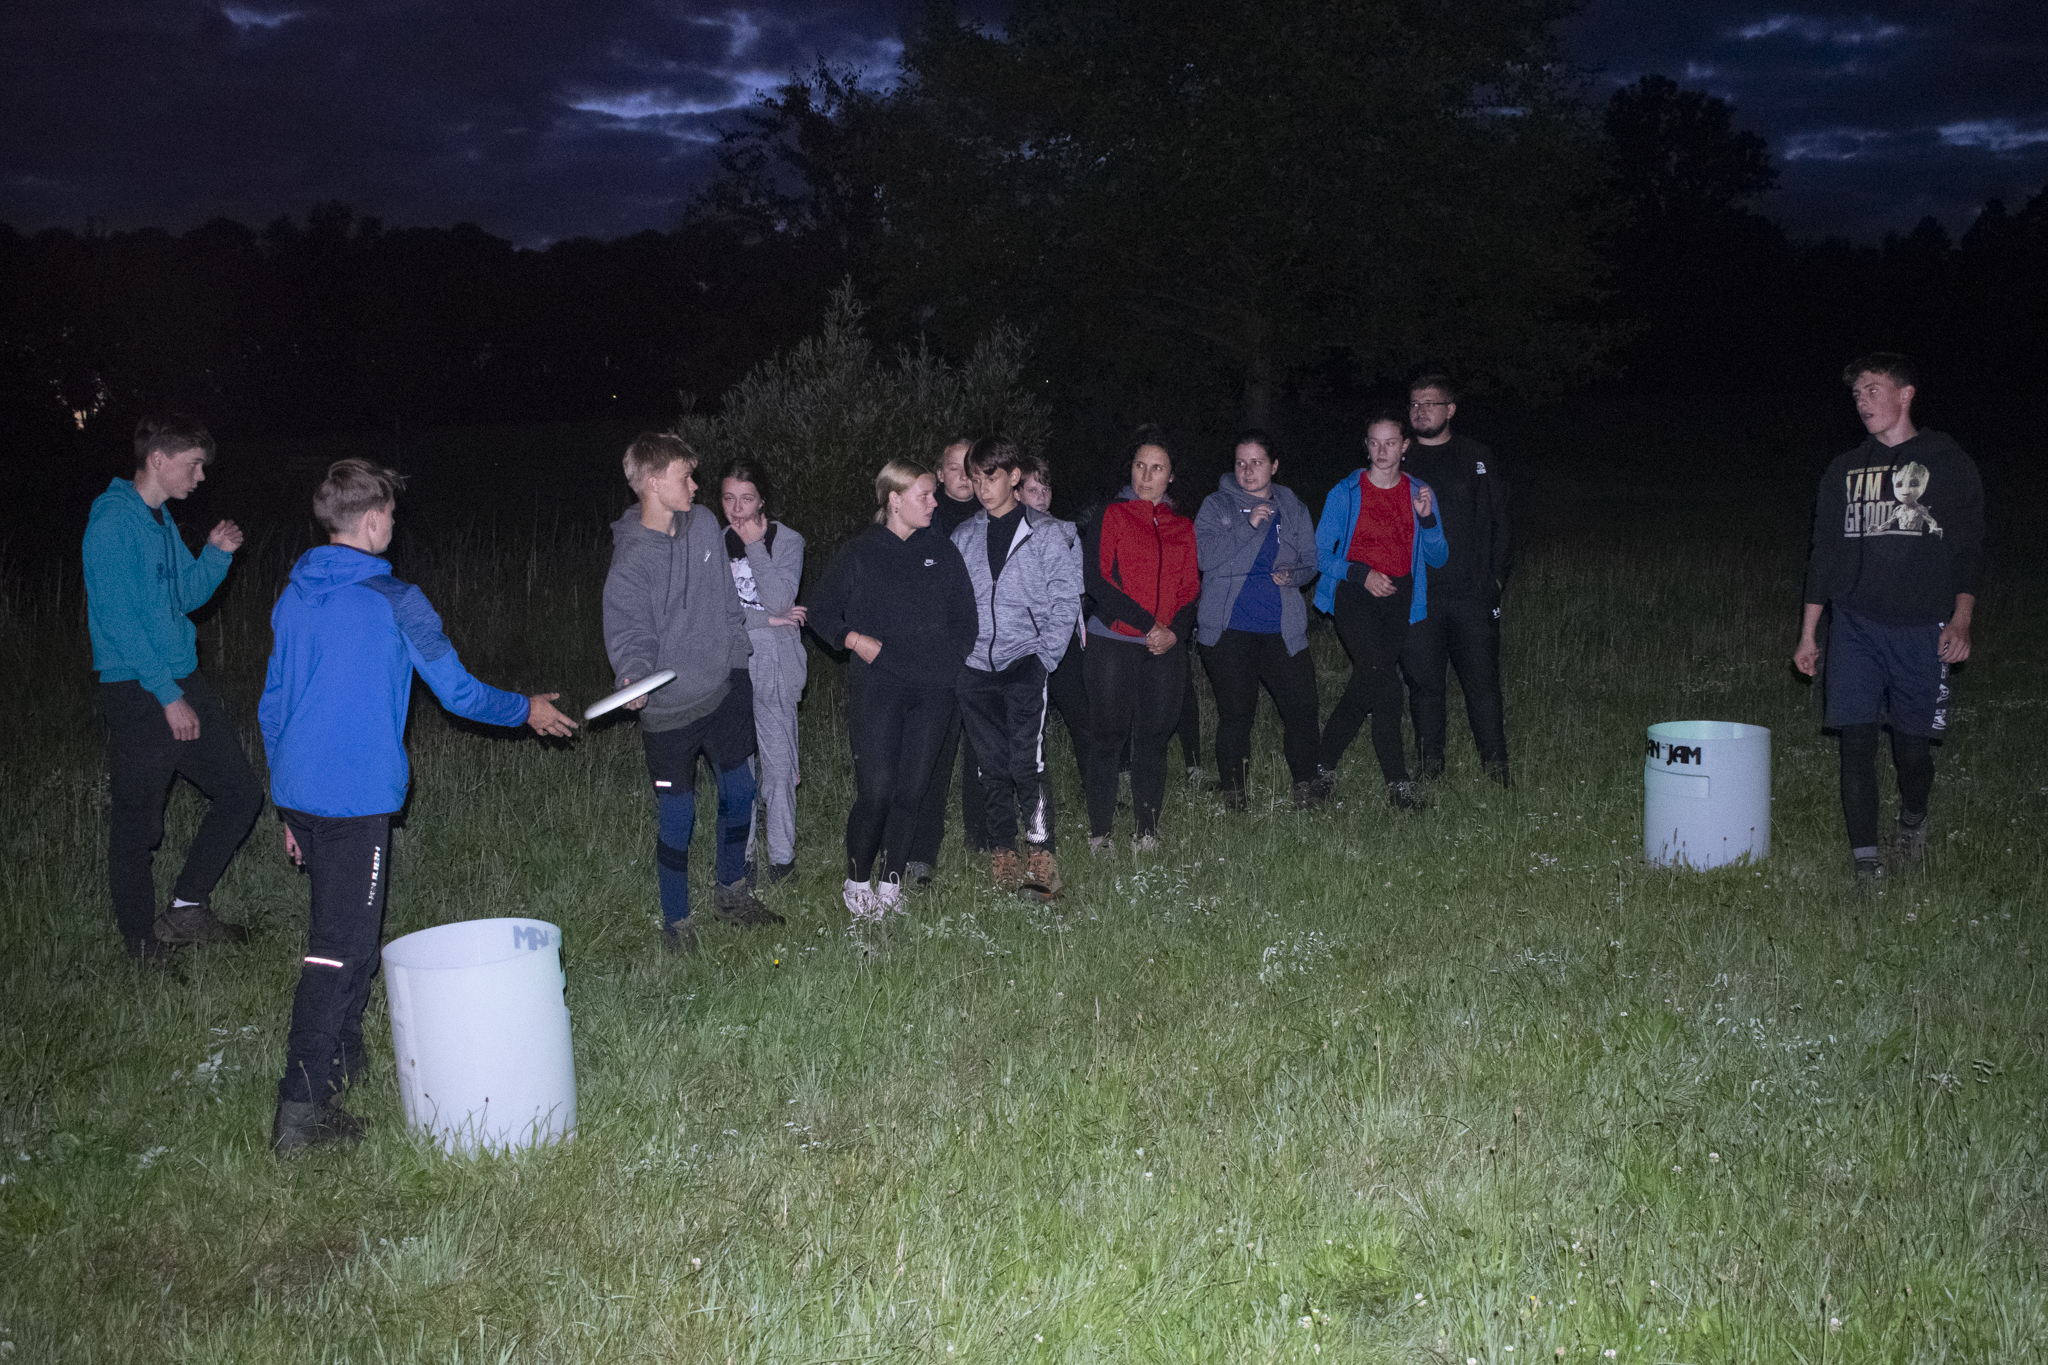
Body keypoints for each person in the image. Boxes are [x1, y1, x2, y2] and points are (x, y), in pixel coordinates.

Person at [258, 458, 578, 1155]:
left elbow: (273, 703)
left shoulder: (295, 594)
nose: (394, 529)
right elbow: (459, 693)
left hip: (303, 790)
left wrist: (286, 806)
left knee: (348, 932)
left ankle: (343, 1059)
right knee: (337, 951)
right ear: (373, 520)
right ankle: (301, 1108)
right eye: (392, 518)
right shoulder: (395, 598)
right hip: (352, 798)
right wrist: (525, 709)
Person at [1794, 353, 1984, 890]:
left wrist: (1961, 621)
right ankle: (1866, 864)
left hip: (1923, 627)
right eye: (1857, 394)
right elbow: (1824, 553)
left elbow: (1969, 549)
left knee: (1912, 749)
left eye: (1873, 390)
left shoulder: (1948, 463)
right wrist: (1809, 633)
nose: (1862, 401)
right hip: (1855, 625)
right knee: (1855, 742)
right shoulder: (1844, 469)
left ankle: (1913, 818)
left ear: (1906, 394)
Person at [83, 413, 263, 965]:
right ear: (158, 459)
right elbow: (118, 620)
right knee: (138, 823)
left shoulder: (159, 521)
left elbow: (184, 597)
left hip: (180, 678)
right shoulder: (112, 523)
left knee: (240, 794)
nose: (201, 476)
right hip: (139, 687)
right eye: (194, 464)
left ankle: (187, 907)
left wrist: (215, 554)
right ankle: (142, 947)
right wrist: (166, 695)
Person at [604, 433, 780, 956]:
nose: (697, 485)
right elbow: (630, 633)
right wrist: (632, 677)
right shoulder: (631, 559)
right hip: (669, 712)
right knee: (678, 818)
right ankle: (677, 922)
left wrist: (738, 666)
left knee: (740, 793)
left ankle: (732, 892)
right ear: (654, 483)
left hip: (722, 691)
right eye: (686, 476)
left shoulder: (702, 523)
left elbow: (727, 604)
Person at [810, 460, 977, 916]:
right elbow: (821, 612)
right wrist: (853, 640)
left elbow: (966, 620)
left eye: (933, 494)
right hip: (879, 686)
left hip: (934, 691)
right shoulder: (859, 552)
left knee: (912, 790)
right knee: (878, 790)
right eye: (925, 495)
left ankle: (891, 885)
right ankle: (857, 880)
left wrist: (950, 663)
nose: (935, 502)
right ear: (895, 499)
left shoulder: (942, 551)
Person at [950, 438, 1084, 897]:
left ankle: (1042, 855)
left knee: (1027, 763)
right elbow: (951, 603)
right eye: (975, 479)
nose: (982, 488)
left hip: (1025, 662)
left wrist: (1044, 657)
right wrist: (960, 656)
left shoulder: (1044, 533)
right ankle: (1002, 851)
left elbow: (1066, 598)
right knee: (990, 766)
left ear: (1013, 477)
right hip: (974, 668)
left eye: (990, 477)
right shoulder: (963, 536)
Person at [1312, 412, 1447, 808]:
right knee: (1385, 682)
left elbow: (1438, 557)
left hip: (1399, 598)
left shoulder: (1419, 492)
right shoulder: (1345, 492)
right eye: (1375, 442)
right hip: (1355, 594)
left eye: (1391, 442)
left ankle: (1320, 767)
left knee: (1369, 682)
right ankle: (1398, 784)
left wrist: (1428, 520)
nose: (1382, 450)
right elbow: (1318, 554)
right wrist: (1360, 573)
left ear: (1405, 446)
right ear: (1366, 446)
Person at [1081, 426, 1200, 853]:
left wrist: (1174, 633)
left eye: (1157, 468)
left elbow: (1190, 589)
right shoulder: (1111, 515)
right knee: (1108, 736)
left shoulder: (1182, 526)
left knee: (1153, 737)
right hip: (1114, 640)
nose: (1146, 476)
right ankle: (1100, 833)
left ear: (1171, 476)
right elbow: (1096, 579)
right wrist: (1149, 624)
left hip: (1164, 645)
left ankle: (1146, 832)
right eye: (1139, 466)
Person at [1194, 431, 1322, 811]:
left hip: (1281, 629)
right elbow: (1203, 556)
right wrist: (1247, 527)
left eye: (1257, 462)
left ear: (1274, 466)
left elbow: (1311, 562)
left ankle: (1305, 786)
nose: (1247, 471)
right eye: (1241, 463)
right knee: (1236, 715)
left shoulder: (1293, 507)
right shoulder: (1217, 505)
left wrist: (1293, 574)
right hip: (1229, 630)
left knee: (1302, 708)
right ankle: (1235, 794)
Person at [1399, 374, 1513, 785]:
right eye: (1414, 404)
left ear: (1450, 410)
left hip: (1471, 594)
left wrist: (1495, 580)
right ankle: (1430, 768)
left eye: (1430, 403)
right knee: (1424, 685)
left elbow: (1501, 521)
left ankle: (1496, 769)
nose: (1420, 411)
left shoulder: (1476, 456)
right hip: (1419, 596)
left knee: (1482, 685)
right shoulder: (1400, 457)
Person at [719, 461, 807, 885]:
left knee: (779, 767)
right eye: (728, 499)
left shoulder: (787, 541)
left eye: (747, 499)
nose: (737, 509)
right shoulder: (714, 543)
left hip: (775, 667)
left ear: (762, 500)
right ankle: (744, 857)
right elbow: (713, 615)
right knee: (739, 768)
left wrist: (755, 546)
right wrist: (765, 621)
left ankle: (782, 860)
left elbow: (780, 600)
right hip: (730, 667)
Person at [909, 437, 989, 880]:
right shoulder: (925, 517)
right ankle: (922, 851)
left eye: (969, 467)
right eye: (953, 468)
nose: (963, 476)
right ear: (939, 474)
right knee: (933, 754)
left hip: (982, 651)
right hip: (938, 656)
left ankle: (983, 838)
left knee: (983, 749)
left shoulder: (992, 515)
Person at [1021, 455, 1092, 788]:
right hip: (1024, 641)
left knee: (1082, 717)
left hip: (1062, 637)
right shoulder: (1011, 532)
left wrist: (1078, 627)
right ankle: (1033, 794)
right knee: (1028, 722)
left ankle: (1095, 791)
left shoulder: (1067, 531)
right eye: (1033, 490)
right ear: (1017, 492)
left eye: (1046, 489)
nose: (1041, 497)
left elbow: (1077, 584)